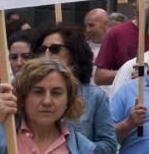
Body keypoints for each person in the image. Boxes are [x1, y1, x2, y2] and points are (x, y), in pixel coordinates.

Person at [33, 23, 117, 154]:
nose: (46, 54)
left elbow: (109, 147)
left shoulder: (95, 96)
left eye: (55, 49)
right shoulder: (27, 93)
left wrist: (73, 143)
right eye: (42, 49)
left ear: (73, 54)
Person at [0, 58, 97, 153]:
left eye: (56, 93)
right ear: (23, 96)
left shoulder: (82, 147)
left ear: (68, 100)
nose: (47, 101)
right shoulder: (1, 135)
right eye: (38, 92)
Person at [94, 0, 149, 86]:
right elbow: (99, 77)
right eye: (144, 11)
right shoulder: (117, 33)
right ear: (135, 7)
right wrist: (127, 71)